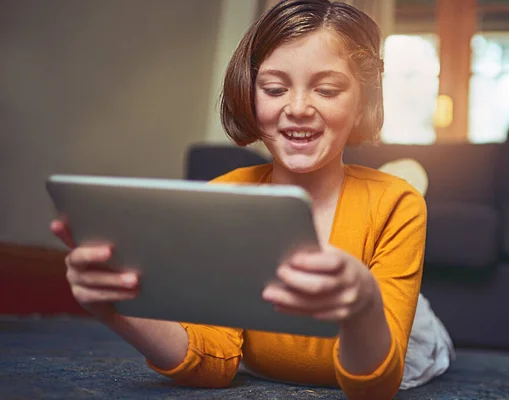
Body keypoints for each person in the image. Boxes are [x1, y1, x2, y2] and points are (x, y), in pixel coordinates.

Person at [50, 0, 454, 398]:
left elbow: (376, 385)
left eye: (327, 89)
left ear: (362, 100)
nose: (298, 108)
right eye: (275, 89)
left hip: (402, 334)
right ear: (250, 94)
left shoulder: (399, 205)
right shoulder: (224, 196)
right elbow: (214, 361)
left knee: (410, 314)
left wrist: (364, 308)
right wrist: (118, 311)